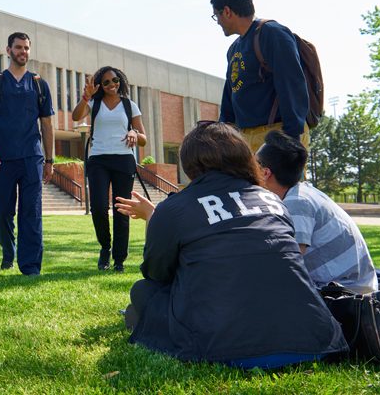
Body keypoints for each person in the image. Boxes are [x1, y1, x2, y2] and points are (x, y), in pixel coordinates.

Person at [114, 122, 347, 369]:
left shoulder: (174, 208)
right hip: (313, 339)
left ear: (189, 162)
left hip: (223, 345)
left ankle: (144, 322)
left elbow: (156, 274)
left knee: (143, 290)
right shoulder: (274, 200)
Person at [257, 130, 380, 294]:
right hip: (350, 287)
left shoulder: (296, 203)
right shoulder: (303, 192)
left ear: (265, 173)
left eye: (254, 164)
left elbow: (290, 263)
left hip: (347, 297)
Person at [0, 32, 55, 276]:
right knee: (4, 211)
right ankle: (8, 253)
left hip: (32, 157)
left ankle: (30, 266)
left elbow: (48, 125)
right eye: (18, 47)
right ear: (8, 50)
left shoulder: (39, 84)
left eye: (27, 48)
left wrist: (49, 160)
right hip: (3, 159)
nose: (23, 52)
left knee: (31, 211)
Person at [211, 0, 310, 151]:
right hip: (245, 139)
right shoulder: (233, 49)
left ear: (227, 11)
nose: (217, 21)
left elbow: (292, 87)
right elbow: (229, 100)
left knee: (279, 180)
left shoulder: (272, 34)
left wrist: (290, 143)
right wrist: (222, 138)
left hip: (277, 135)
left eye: (216, 15)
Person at [71, 66, 146, 272]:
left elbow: (143, 139)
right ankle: (105, 247)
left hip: (124, 160)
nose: (112, 85)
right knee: (98, 207)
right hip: (98, 160)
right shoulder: (94, 103)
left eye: (115, 80)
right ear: (99, 86)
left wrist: (133, 132)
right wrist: (86, 97)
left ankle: (119, 259)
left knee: (121, 209)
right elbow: (75, 117)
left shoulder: (130, 105)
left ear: (120, 81)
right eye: (106, 82)